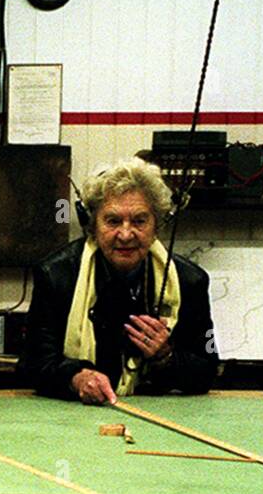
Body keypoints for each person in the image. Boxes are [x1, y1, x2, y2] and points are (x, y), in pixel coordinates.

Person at [21, 158, 217, 403]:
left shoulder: (190, 281)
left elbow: (208, 370)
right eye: (113, 221)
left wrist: (166, 356)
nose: (125, 234)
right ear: (92, 224)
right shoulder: (55, 275)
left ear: (157, 224)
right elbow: (32, 365)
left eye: (139, 221)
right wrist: (76, 377)